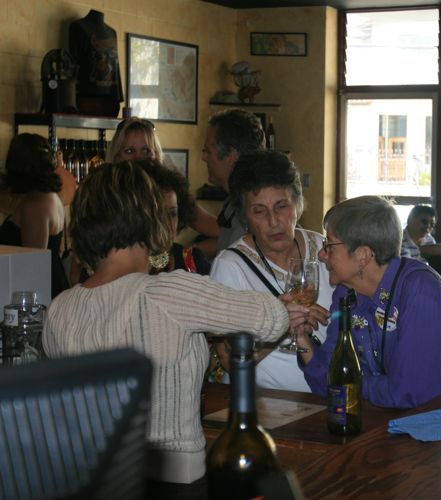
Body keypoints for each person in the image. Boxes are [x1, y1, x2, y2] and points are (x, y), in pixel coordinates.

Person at [42, 160, 310, 484]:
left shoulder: (58, 310)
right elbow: (269, 319)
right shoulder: (168, 292)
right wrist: (289, 307)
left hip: (90, 481)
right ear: (149, 219)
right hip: (171, 483)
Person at [296, 195, 441, 409]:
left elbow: (408, 394)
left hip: (435, 425)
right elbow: (326, 383)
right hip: (381, 422)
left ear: (363, 255)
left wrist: (346, 382)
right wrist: (301, 339)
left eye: (329, 244)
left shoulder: (421, 292)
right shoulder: (346, 293)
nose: (321, 255)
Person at [210, 151, 332, 391]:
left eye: (281, 206)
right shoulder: (231, 266)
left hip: (328, 396)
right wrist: (279, 328)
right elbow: (228, 361)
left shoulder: (324, 250)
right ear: (244, 216)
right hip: (264, 403)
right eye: (259, 211)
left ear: (298, 204)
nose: (273, 221)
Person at [108, 116, 220, 258]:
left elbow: (224, 234)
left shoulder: (172, 193)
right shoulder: (103, 195)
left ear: (156, 155)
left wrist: (186, 254)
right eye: (129, 151)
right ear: (116, 157)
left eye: (146, 151)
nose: (138, 158)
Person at [0, 134, 71, 297]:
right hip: (50, 285)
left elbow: (32, 264)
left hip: (36, 294)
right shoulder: (50, 196)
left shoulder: (35, 204)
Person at [202, 109, 266, 252]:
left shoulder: (252, 210)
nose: (204, 158)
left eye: (208, 151)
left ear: (231, 156)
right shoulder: (236, 201)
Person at [139, 160, 211, 274]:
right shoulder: (121, 267)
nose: (166, 222)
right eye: (158, 213)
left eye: (172, 214)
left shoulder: (192, 261)